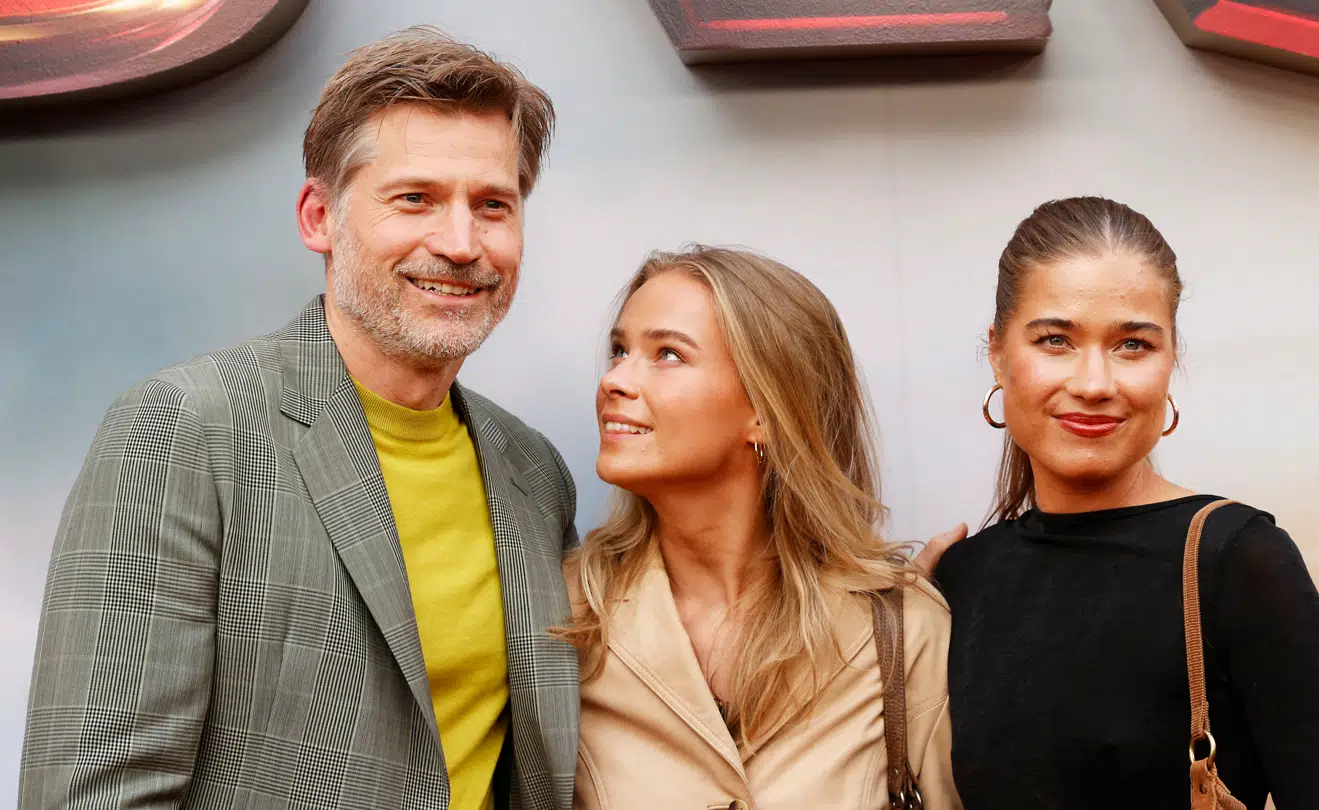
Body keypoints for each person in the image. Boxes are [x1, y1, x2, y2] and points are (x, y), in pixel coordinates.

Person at [20, 29, 578, 810]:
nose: (460, 243)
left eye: (493, 206)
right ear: (319, 217)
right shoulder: (184, 428)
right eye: (414, 198)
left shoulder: (533, 472)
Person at [932, 196, 1319, 809]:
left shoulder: (1238, 560)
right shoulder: (960, 578)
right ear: (998, 352)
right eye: (1055, 340)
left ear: (1172, 359)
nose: (1093, 384)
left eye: (1133, 345)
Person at [556, 246, 963, 810]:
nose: (615, 380)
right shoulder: (561, 617)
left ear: (766, 412)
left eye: (668, 354)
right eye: (619, 350)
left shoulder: (901, 625)